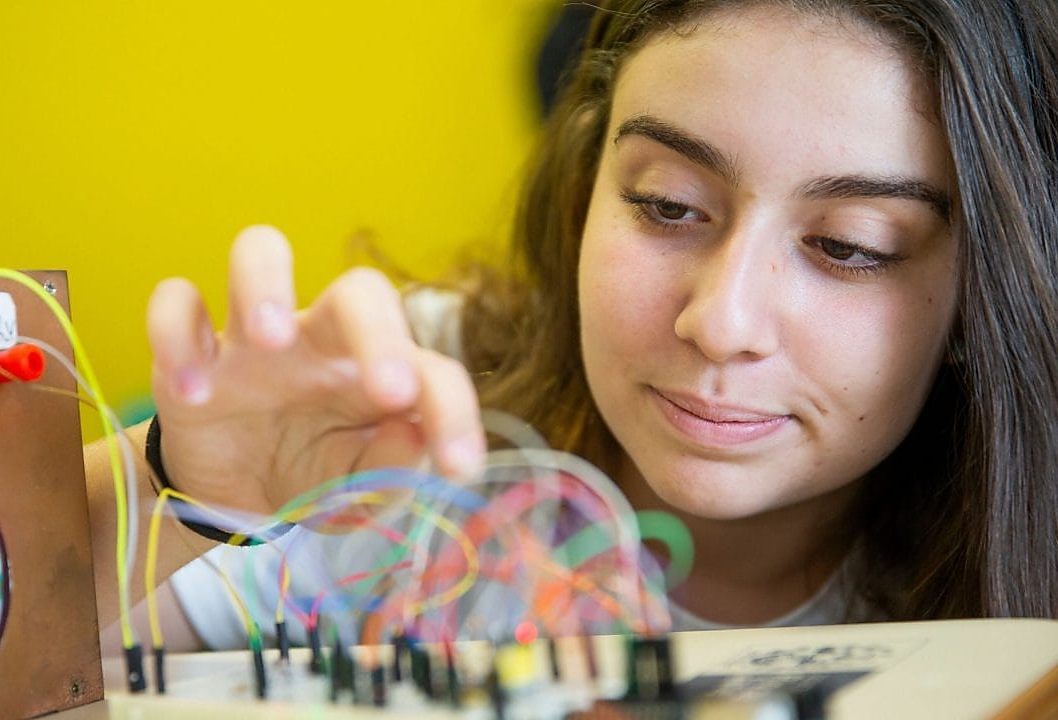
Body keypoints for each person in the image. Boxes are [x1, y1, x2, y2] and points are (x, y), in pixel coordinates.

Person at [86, 0, 1058, 652]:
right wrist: (175, 489)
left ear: (982, 292)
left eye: (849, 246)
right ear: (584, 190)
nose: (720, 323)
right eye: (668, 205)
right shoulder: (405, 409)